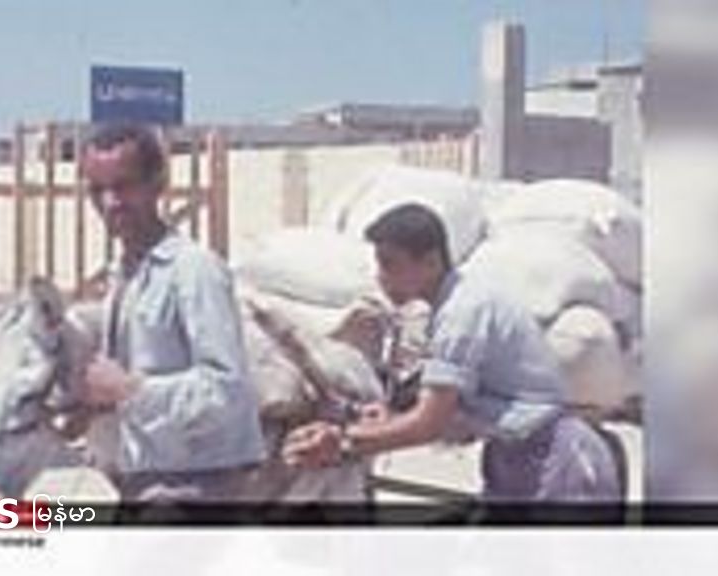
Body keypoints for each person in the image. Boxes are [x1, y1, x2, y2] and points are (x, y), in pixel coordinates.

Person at [282, 203, 621, 502]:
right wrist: (385, 419)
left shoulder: (462, 315)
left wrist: (342, 443)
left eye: (390, 264)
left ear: (430, 261)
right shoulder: (455, 305)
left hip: (556, 466)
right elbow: (454, 412)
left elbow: (428, 424)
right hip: (516, 459)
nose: (381, 277)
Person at [79, 123, 265, 503]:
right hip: (144, 482)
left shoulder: (193, 271)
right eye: (98, 190)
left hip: (198, 486)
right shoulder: (124, 275)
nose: (110, 202)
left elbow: (226, 391)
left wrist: (130, 390)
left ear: (157, 184)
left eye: (123, 186)